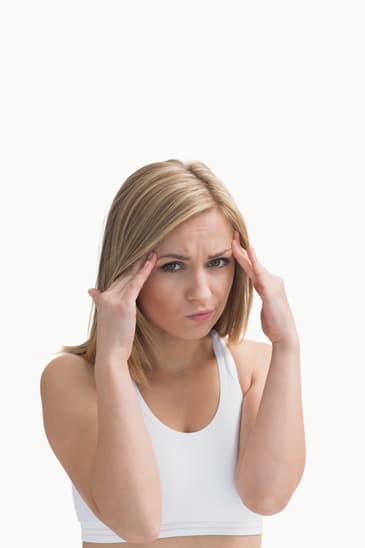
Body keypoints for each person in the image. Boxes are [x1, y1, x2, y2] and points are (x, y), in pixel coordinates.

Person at [40, 159, 305, 547]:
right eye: (173, 266)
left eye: (218, 262)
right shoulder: (72, 379)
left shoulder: (253, 366)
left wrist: (287, 345)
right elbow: (137, 523)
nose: (201, 291)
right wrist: (113, 364)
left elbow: (268, 496)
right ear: (128, 267)